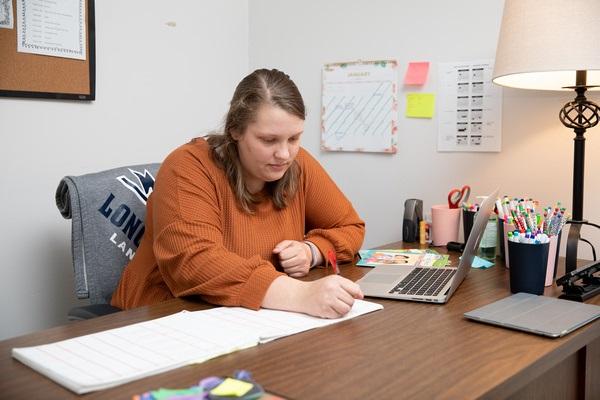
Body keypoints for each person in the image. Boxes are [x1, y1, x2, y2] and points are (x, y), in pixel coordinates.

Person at [111, 68, 365, 318]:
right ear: (235, 130)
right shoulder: (187, 166)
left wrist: (312, 251)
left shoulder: (297, 165)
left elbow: (350, 226)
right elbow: (194, 262)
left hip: (250, 314)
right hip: (164, 314)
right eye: (268, 140)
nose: (284, 154)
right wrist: (299, 295)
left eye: (294, 138)